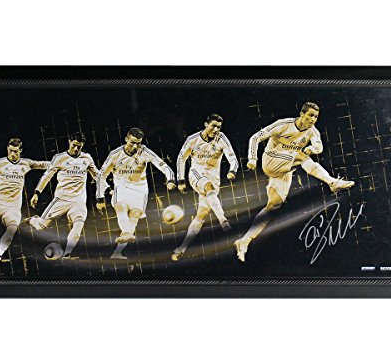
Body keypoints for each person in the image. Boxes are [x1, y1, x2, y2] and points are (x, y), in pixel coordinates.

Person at [234, 102, 355, 262]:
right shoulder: (283, 124)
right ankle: (332, 182)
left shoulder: (312, 131)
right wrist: (252, 159)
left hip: (285, 168)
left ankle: (244, 241)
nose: (313, 119)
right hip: (271, 160)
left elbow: (319, 146)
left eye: (316, 117)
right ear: (302, 114)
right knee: (301, 156)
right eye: (310, 115)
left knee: (273, 206)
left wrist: (313, 149)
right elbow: (255, 137)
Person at [96, 127, 176, 260]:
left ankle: (117, 252)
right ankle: (126, 233)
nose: (135, 146)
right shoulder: (115, 154)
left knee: (135, 215)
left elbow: (162, 165)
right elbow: (101, 175)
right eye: (132, 142)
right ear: (126, 139)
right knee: (121, 207)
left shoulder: (144, 151)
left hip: (140, 189)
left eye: (138, 143)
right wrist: (100, 198)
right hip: (121, 187)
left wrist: (170, 179)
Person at [171, 113, 239, 261]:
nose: (216, 130)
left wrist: (232, 171)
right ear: (206, 125)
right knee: (208, 187)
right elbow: (181, 158)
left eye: (219, 127)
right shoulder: (193, 139)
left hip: (214, 179)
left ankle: (182, 248)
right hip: (196, 173)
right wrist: (181, 179)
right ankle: (224, 222)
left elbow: (233, 158)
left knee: (201, 215)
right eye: (213, 126)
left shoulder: (222, 139)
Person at [24, 132, 99, 260]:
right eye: (74, 145)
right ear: (69, 141)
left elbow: (97, 175)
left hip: (78, 201)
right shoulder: (59, 158)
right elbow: (47, 176)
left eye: (79, 147)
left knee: (78, 225)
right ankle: (31, 220)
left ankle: (67, 254)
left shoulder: (87, 159)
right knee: (41, 226)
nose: (76, 149)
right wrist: (37, 192)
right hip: (61, 199)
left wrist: (108, 189)